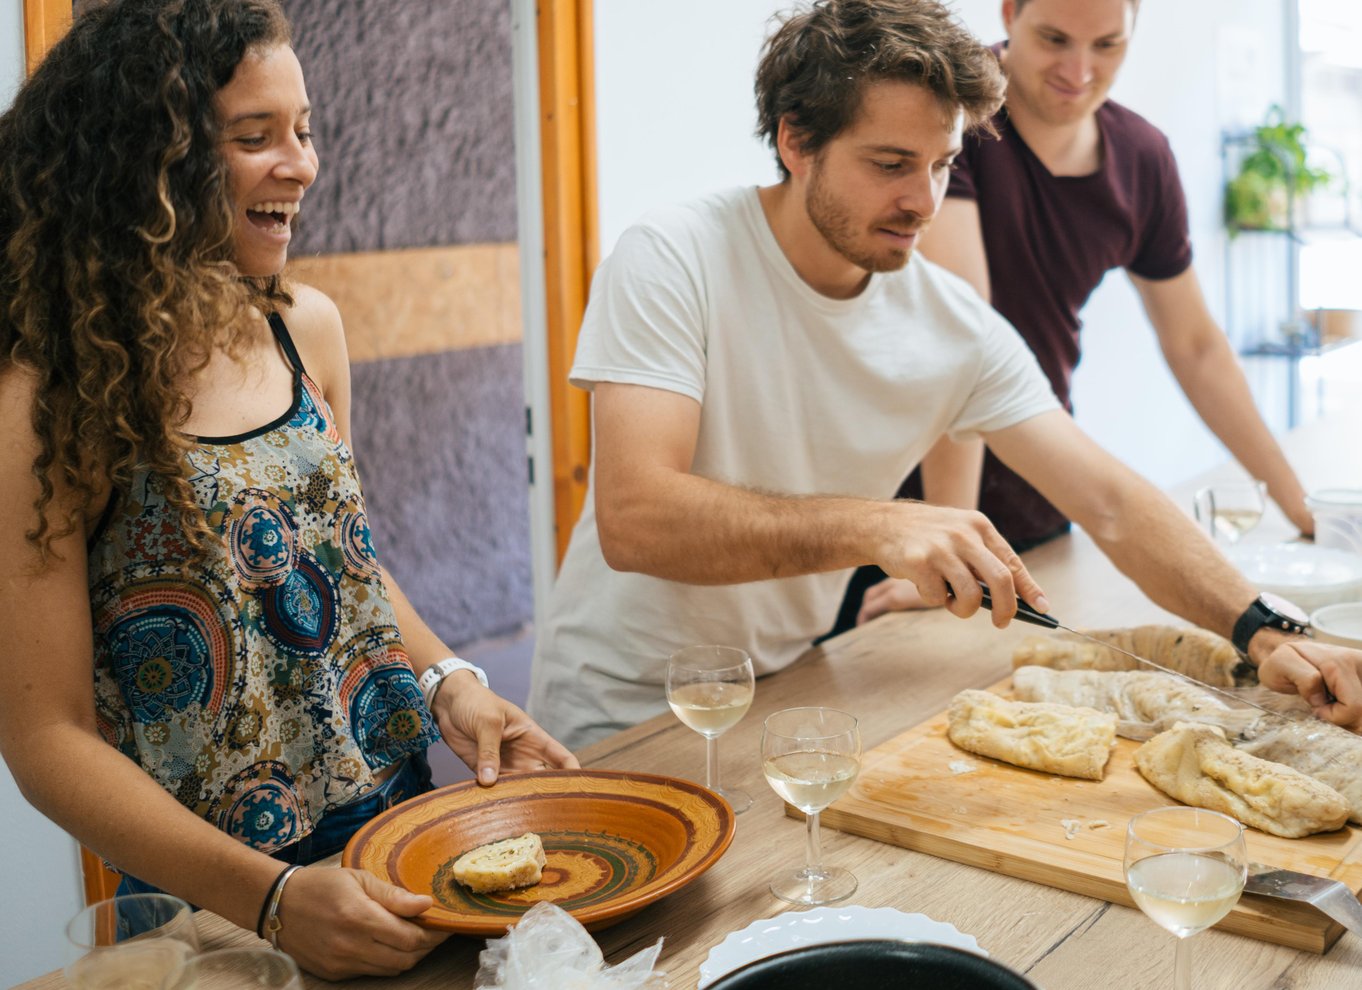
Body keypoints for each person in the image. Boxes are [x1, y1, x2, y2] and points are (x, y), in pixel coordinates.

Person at [526, 0, 1362, 751]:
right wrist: (884, 526)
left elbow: (1109, 500)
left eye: (941, 164)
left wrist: (1265, 631)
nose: (924, 201)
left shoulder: (949, 320)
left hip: (780, 690)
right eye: (891, 164)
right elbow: (637, 517)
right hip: (617, 712)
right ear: (796, 141)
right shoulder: (674, 256)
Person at [0, 0, 574, 980]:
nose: (301, 164)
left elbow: (342, 563)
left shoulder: (303, 327)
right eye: (254, 137)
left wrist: (452, 684)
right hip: (214, 900)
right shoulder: (48, 397)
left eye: (304, 132)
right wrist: (269, 899)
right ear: (152, 160)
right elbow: (45, 738)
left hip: (396, 835)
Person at [844, 0, 1315, 629]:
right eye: (1055, 38)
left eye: (1107, 46)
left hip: (1036, 491)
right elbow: (961, 345)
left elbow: (1196, 346)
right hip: (906, 509)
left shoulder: (1142, 158)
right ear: (1010, 14)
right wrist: (945, 548)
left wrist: (1302, 509)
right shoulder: (950, 113)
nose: (1079, 70)